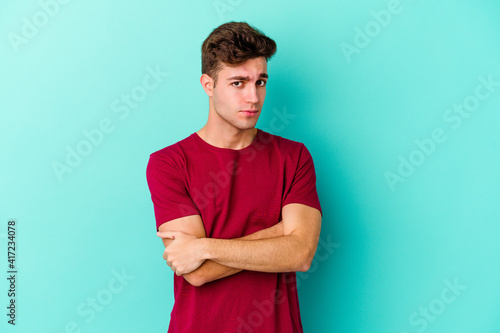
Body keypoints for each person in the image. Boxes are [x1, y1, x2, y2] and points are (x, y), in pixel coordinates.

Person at [146, 21, 322, 333]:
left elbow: (301, 253)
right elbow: (197, 273)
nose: (253, 98)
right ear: (208, 85)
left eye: (261, 82)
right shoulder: (168, 163)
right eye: (238, 83)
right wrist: (282, 233)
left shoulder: (293, 157)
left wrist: (204, 247)